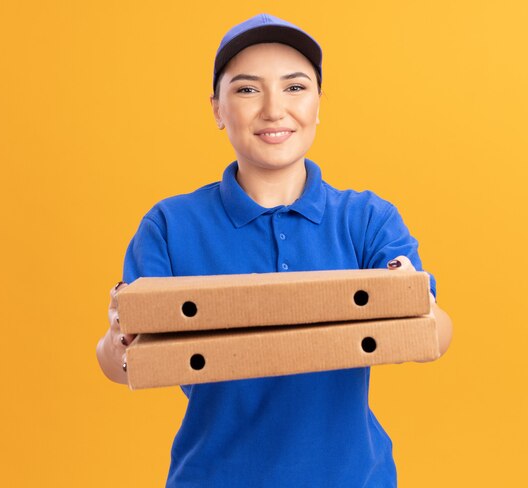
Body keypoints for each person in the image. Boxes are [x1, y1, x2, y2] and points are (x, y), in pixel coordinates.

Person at [96, 13, 453, 488]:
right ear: (218, 110)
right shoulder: (170, 225)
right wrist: (119, 336)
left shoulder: (366, 218)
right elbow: (122, 364)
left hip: (353, 477)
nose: (273, 109)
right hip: (214, 476)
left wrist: (415, 305)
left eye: (294, 87)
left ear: (318, 104)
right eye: (246, 90)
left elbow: (438, 334)